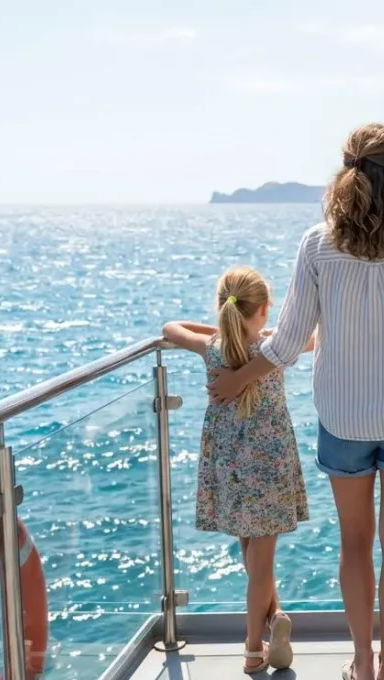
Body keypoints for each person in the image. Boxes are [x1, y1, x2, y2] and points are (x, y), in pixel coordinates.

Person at [208, 123, 384, 680]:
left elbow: (285, 342)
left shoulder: (318, 243)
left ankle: (360, 663)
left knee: (354, 544)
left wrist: (238, 379)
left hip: (342, 420)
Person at [161, 267, 311, 674]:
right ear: (263, 310)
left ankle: (264, 630)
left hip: (230, 463)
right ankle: (261, 634)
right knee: (260, 562)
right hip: (270, 463)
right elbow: (313, 335)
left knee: (250, 551)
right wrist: (257, 329)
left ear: (223, 307)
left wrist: (225, 326)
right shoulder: (274, 350)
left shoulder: (210, 347)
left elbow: (171, 328)